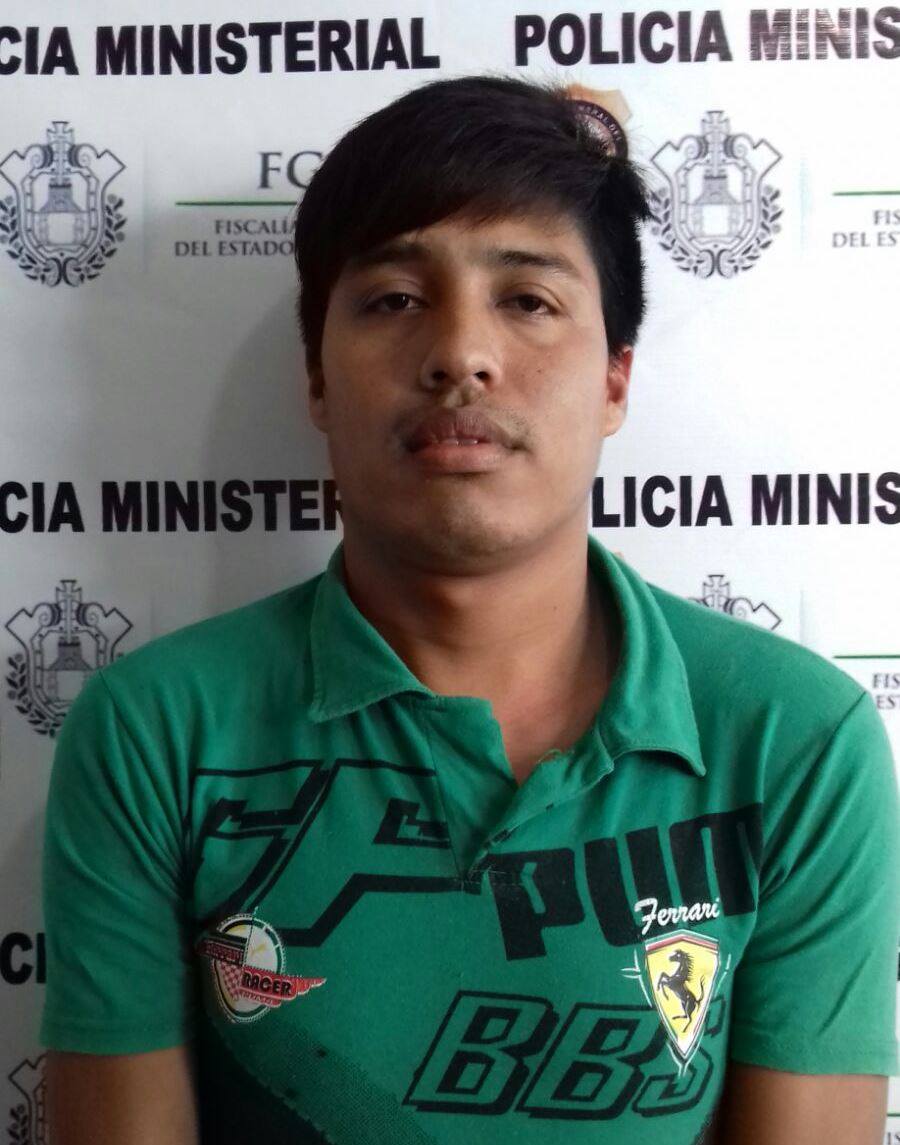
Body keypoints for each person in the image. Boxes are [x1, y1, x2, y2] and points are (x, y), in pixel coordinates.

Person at [42, 75, 897, 1145]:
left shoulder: (791, 740)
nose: (461, 354)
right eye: (395, 299)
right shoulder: (158, 734)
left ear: (616, 379)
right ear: (316, 380)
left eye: (528, 300)